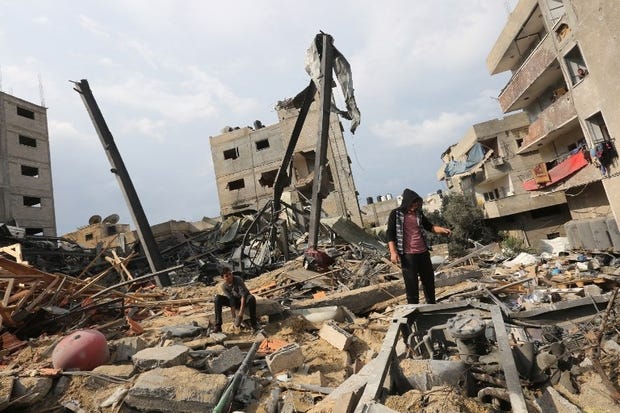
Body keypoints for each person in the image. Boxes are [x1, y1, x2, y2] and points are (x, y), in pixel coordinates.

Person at [386, 189, 451, 304]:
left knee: (429, 280)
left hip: (423, 252)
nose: (414, 207)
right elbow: (390, 234)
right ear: (406, 203)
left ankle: (431, 304)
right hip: (407, 255)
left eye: (416, 205)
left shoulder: (418, 214)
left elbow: (429, 227)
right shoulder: (396, 214)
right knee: (411, 283)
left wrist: (442, 230)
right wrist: (393, 252)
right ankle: (413, 309)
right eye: (412, 204)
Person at [213, 267, 259, 333]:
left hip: (245, 299)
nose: (230, 276)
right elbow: (231, 299)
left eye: (230, 274)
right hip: (236, 301)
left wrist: (240, 314)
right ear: (223, 278)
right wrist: (234, 316)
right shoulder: (224, 286)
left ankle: (254, 324)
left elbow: (243, 296)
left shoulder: (238, 279)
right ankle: (218, 326)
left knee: (251, 298)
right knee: (217, 298)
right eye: (227, 276)